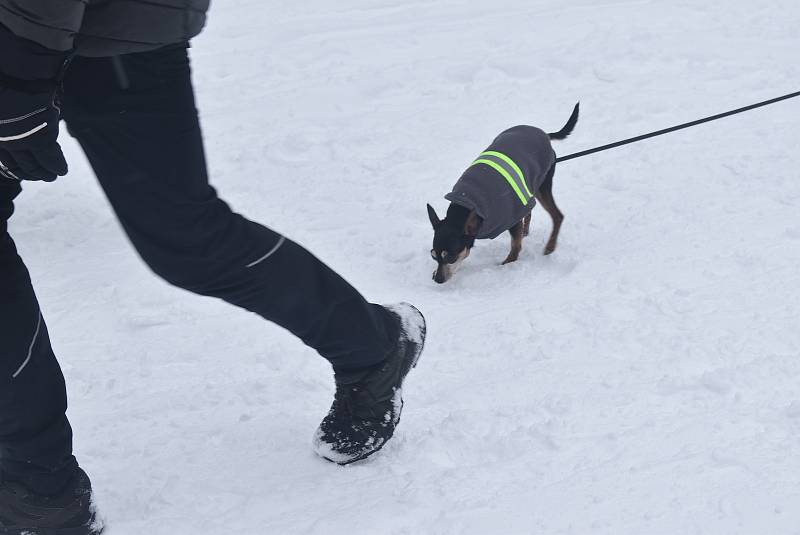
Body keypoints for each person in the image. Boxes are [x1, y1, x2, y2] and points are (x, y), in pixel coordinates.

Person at [0, 2, 426, 534]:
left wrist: (17, 74)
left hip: (108, 32)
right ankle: (38, 488)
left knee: (185, 238)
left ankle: (372, 345)